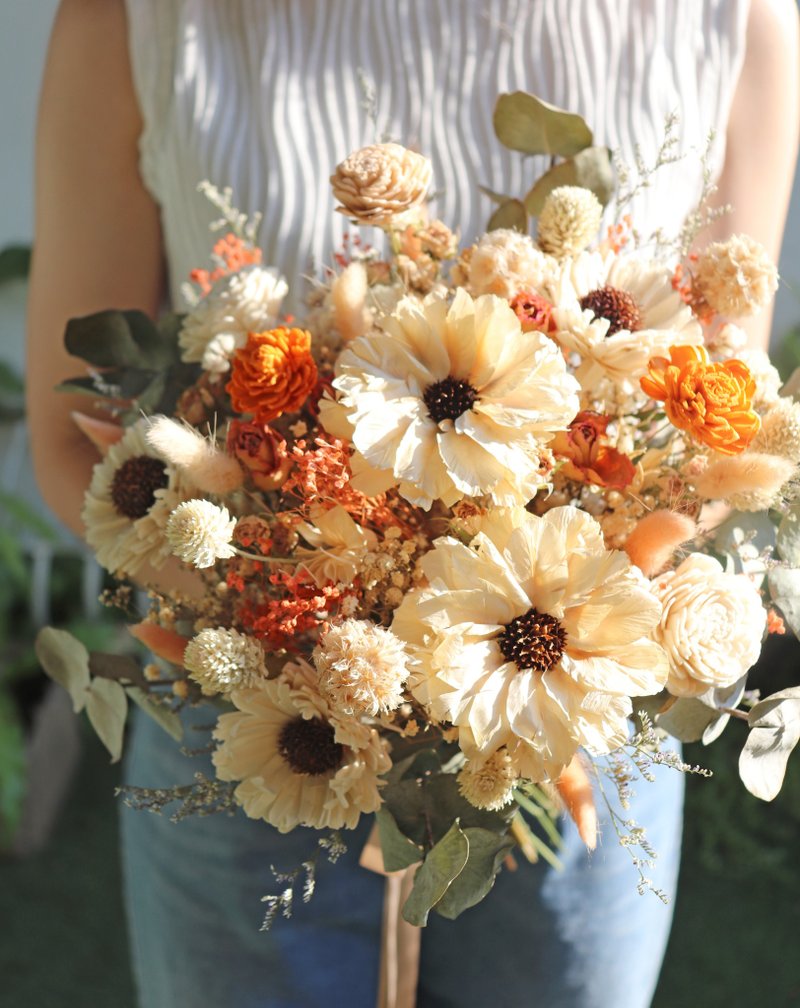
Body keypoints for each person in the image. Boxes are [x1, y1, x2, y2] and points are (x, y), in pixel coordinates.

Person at [27, 2, 799, 1007]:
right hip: (254, 721)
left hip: (568, 714)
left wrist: (510, 661)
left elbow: (719, 423)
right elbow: (71, 433)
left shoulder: (729, 17)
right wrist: (292, 640)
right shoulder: (139, 18)